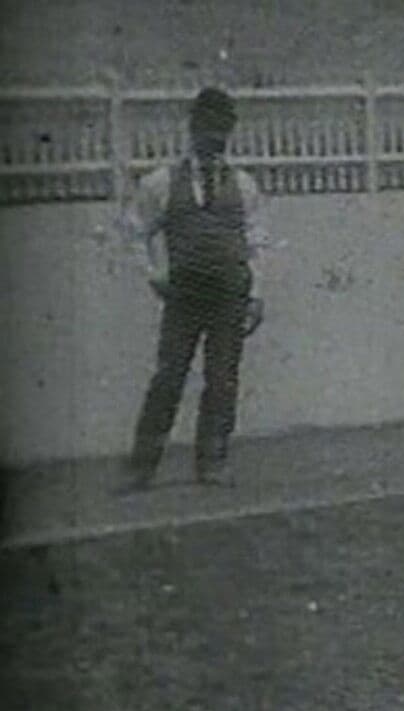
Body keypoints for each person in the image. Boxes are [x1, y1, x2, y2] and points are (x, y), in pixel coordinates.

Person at [121, 87, 271, 488]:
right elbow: (135, 232)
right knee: (169, 376)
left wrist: (255, 295)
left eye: (221, 128)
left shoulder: (244, 185)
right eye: (206, 126)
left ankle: (213, 462)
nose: (213, 136)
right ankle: (142, 466)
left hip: (228, 296)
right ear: (192, 127)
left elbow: (256, 242)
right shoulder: (161, 182)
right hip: (184, 296)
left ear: (230, 130)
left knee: (222, 379)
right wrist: (154, 275)